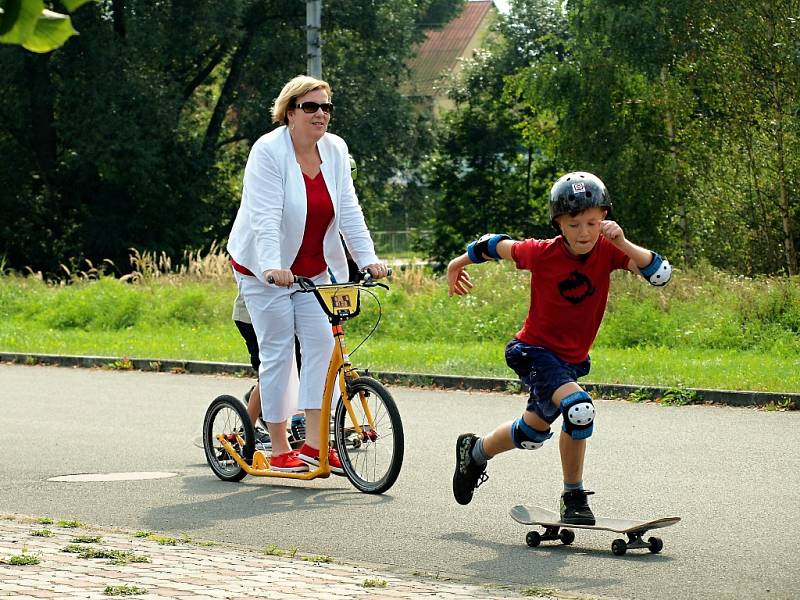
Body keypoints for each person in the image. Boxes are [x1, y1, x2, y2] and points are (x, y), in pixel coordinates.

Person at [447, 172, 672, 524]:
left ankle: (474, 452)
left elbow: (659, 274)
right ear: (559, 224)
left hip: (569, 362)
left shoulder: (609, 250)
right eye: (574, 223)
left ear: (604, 219)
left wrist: (624, 243)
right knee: (579, 409)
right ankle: (574, 497)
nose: (584, 232)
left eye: (593, 222)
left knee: (532, 433)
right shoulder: (541, 253)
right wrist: (456, 263)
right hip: (533, 350)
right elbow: (494, 244)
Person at [227, 75, 388, 473]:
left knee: (321, 347)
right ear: (289, 112)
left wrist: (368, 258)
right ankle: (280, 446)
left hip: (316, 268)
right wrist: (271, 266)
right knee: (279, 350)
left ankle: (315, 445)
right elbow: (263, 216)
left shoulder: (334, 150)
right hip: (265, 269)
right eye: (310, 106)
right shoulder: (268, 151)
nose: (320, 114)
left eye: (326, 107)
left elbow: (349, 210)